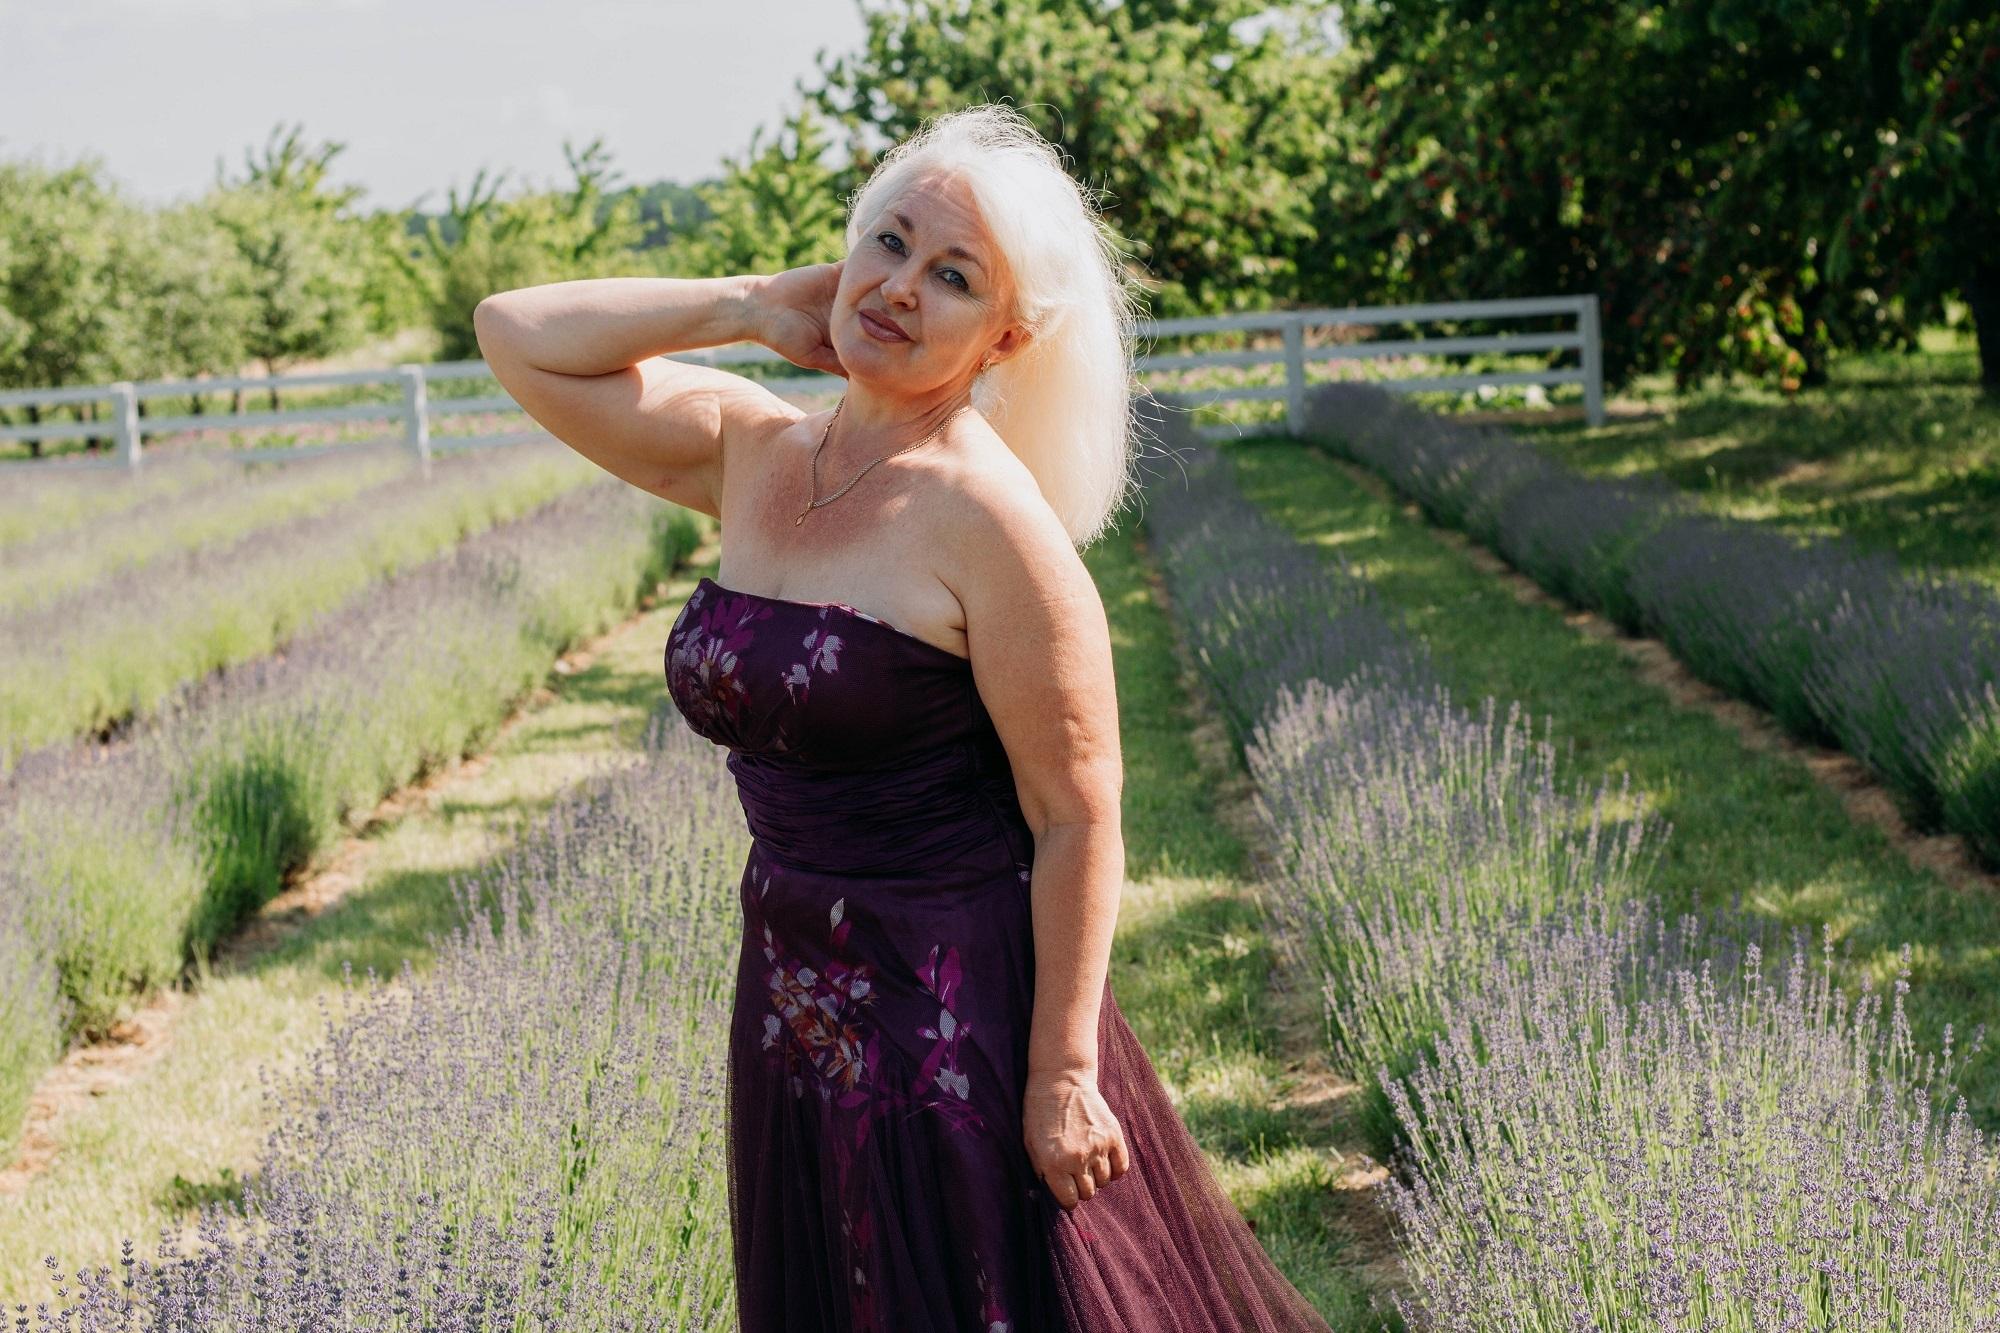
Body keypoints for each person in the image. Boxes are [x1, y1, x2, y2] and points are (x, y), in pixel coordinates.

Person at [474, 102, 1333, 1333]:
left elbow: (1077, 813)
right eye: (888, 242)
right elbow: (515, 334)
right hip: (789, 985)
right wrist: (747, 304)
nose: (899, 288)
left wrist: (1063, 1072)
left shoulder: (991, 524)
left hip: (951, 1006)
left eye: (952, 276)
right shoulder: (751, 449)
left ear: (1003, 336)